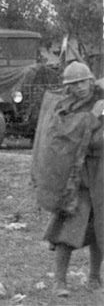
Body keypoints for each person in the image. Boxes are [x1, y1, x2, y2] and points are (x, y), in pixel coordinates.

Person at [41, 62, 103, 296]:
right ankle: (59, 281)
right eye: (73, 84)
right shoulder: (65, 108)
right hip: (77, 178)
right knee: (68, 230)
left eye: (83, 82)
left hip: (101, 176)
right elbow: (64, 135)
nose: (80, 88)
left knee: (100, 230)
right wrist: (92, 117)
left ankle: (95, 277)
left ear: (91, 80)